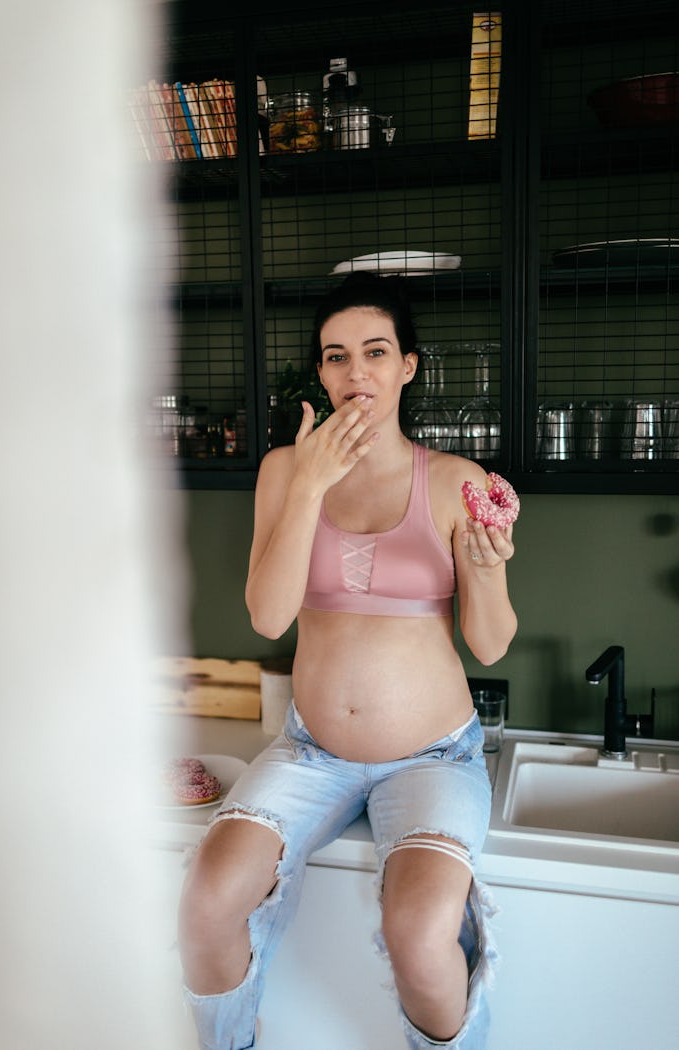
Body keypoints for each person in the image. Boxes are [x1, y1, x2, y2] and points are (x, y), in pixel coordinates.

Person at [178, 272, 517, 1049]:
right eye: (336, 357)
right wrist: (308, 485)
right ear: (321, 372)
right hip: (312, 751)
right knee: (205, 901)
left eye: (375, 352)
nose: (354, 372)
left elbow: (491, 643)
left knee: (421, 934)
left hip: (432, 757)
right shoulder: (282, 470)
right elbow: (268, 615)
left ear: (408, 365)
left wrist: (489, 566)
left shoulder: (455, 483)